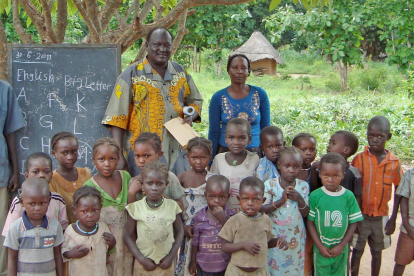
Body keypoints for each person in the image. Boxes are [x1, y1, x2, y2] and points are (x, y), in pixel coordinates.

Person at [102, 27, 203, 175]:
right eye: (157, 45)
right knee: (145, 191)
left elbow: (195, 101)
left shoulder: (181, 73)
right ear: (147, 45)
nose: (162, 49)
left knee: (176, 192)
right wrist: (118, 154)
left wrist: (190, 115)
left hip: (177, 150)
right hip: (143, 155)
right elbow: (117, 118)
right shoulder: (131, 74)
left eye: (167, 45)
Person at [350, 116, 403, 276]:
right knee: (357, 251)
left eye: (379, 136)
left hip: (381, 217)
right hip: (361, 216)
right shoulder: (359, 160)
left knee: (377, 252)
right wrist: (354, 216)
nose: (374, 140)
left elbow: (399, 190)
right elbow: (352, 188)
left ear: (388, 137)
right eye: (370, 135)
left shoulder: (394, 163)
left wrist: (393, 218)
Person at [308, 130, 362, 276]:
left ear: (343, 175)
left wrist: (342, 245)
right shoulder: (315, 196)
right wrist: (319, 246)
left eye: (335, 176)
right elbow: (310, 222)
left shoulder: (348, 196)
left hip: (341, 250)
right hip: (320, 250)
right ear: (320, 174)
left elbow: (353, 222)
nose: (330, 179)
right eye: (326, 175)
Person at [83, 137, 133, 276]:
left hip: (127, 241)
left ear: (118, 159)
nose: (107, 164)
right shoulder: (90, 186)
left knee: (126, 268)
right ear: (94, 160)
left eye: (112, 159)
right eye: (101, 159)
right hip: (104, 244)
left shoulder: (125, 177)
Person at [124, 161, 184, 276]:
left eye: (159, 184)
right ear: (142, 184)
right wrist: (141, 259)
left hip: (166, 264)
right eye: (149, 183)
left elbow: (180, 231)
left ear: (166, 184)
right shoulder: (135, 208)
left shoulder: (172, 206)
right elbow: (127, 236)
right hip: (143, 265)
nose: (154, 188)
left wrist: (171, 256)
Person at [219, 176, 288, 275]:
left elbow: (266, 243)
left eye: (255, 199)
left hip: (259, 272)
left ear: (263, 201)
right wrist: (243, 245)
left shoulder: (265, 220)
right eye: (245, 199)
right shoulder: (234, 220)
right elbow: (224, 247)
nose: (250, 203)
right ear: (239, 199)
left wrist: (278, 241)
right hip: (237, 272)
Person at [208, 54, 270, 161]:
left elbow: (266, 128)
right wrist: (210, 161)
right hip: (225, 151)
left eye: (244, 68)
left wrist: (268, 157)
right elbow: (214, 132)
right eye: (235, 67)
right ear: (228, 70)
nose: (239, 71)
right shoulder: (218, 98)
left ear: (248, 71)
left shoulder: (260, 94)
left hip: (255, 152)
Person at [261, 147, 310, 276]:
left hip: (296, 238)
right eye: (287, 166)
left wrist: (300, 199)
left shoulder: (303, 186)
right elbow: (263, 210)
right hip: (275, 237)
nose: (291, 170)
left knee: (294, 268)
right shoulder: (270, 185)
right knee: (274, 267)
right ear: (279, 165)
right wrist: (281, 200)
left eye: (296, 167)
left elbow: (306, 213)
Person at [4, 178, 64, 276]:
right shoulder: (16, 228)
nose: (37, 208)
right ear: (22, 201)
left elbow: (57, 255)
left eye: (42, 203)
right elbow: (12, 258)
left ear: (49, 201)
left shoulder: (55, 226)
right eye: (32, 204)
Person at [2, 152, 68, 237]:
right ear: (27, 175)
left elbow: (63, 230)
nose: (41, 175)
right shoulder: (19, 201)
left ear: (51, 175)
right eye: (36, 172)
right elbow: (10, 235)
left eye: (46, 171)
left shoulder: (58, 200)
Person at [176, 137, 214, 276]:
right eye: (194, 157)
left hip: (205, 230)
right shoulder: (181, 177)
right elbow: (174, 204)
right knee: (183, 263)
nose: (198, 161)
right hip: (185, 228)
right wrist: (181, 226)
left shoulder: (212, 179)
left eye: (203, 157)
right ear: (187, 156)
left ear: (210, 156)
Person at [0, 79, 25, 275]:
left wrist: (15, 171)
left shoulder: (4, 89)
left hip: (0, 173)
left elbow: (9, 133)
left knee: (3, 231)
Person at [62, 186, 116, 276]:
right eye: (84, 211)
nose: (90, 215)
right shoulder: (70, 231)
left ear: (100, 209)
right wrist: (70, 254)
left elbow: (106, 250)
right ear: (75, 210)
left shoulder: (103, 229)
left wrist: (112, 243)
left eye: (95, 210)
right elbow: (63, 251)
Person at [210, 118, 260, 213]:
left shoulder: (254, 159)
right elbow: (212, 186)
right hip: (224, 214)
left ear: (249, 139)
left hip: (248, 214)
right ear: (226, 139)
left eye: (241, 138)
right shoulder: (218, 159)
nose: (236, 142)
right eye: (231, 138)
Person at [189, 175, 235, 276]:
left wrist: (223, 219)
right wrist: (193, 261)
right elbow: (195, 242)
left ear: (228, 196)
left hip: (225, 267)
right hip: (204, 267)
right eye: (212, 196)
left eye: (221, 197)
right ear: (205, 196)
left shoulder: (232, 216)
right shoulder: (200, 217)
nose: (216, 200)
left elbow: (235, 237)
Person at [126, 132, 184, 206]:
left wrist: (159, 194)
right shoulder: (133, 183)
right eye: (137, 156)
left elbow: (181, 208)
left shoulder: (170, 178)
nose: (141, 160)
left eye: (147, 156)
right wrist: (131, 193)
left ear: (159, 155)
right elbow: (131, 213)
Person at [49, 131, 92, 224]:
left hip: (88, 230)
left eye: (74, 152)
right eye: (64, 153)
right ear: (54, 153)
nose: (70, 157)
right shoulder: (51, 179)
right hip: (65, 233)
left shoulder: (86, 173)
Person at [393, 168, 414, 276]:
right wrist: (406, 223)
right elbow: (404, 199)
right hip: (410, 227)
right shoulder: (410, 174)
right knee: (401, 261)